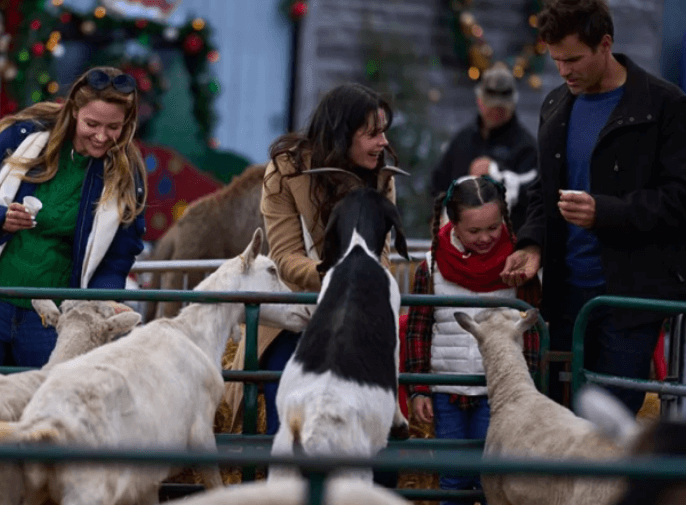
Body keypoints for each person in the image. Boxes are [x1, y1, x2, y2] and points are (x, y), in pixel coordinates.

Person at [501, 0, 686, 415]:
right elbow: (542, 194)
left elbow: (679, 199)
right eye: (556, 60)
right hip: (565, 299)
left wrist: (606, 212)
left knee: (607, 424)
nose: (564, 71)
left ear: (605, 44)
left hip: (631, 300)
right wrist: (531, 245)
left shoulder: (664, 105)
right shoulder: (555, 106)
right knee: (554, 421)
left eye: (573, 59)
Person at [222, 82, 402, 483]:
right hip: (297, 314)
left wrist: (363, 282)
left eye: (384, 131)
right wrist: (341, 275)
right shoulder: (286, 169)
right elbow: (286, 258)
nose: (382, 142)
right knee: (288, 426)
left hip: (359, 314)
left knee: (378, 441)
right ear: (342, 133)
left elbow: (382, 253)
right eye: (372, 133)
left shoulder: (381, 175)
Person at [0, 66, 147, 368]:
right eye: (92, 123)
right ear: (73, 111)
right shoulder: (25, 136)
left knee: (40, 407)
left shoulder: (127, 175)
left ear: (128, 123)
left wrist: (102, 301)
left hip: (52, 319)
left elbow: (118, 256)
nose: (101, 136)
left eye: (114, 127)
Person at [404, 175, 541, 505]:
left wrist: (530, 385)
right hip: (447, 390)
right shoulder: (431, 267)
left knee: (490, 476)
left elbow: (532, 330)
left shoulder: (519, 266)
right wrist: (419, 387)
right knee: (453, 477)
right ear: (454, 224)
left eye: (493, 228)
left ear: (504, 219)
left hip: (498, 391)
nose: (485, 238)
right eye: (474, 231)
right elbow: (418, 329)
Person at [430, 63, 538, 232]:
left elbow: (534, 197)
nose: (496, 111)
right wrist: (436, 218)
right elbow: (438, 183)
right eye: (491, 105)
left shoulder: (526, 146)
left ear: (513, 103)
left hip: (505, 240)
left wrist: (497, 172)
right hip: (457, 238)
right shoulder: (463, 139)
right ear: (479, 100)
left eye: (502, 107)